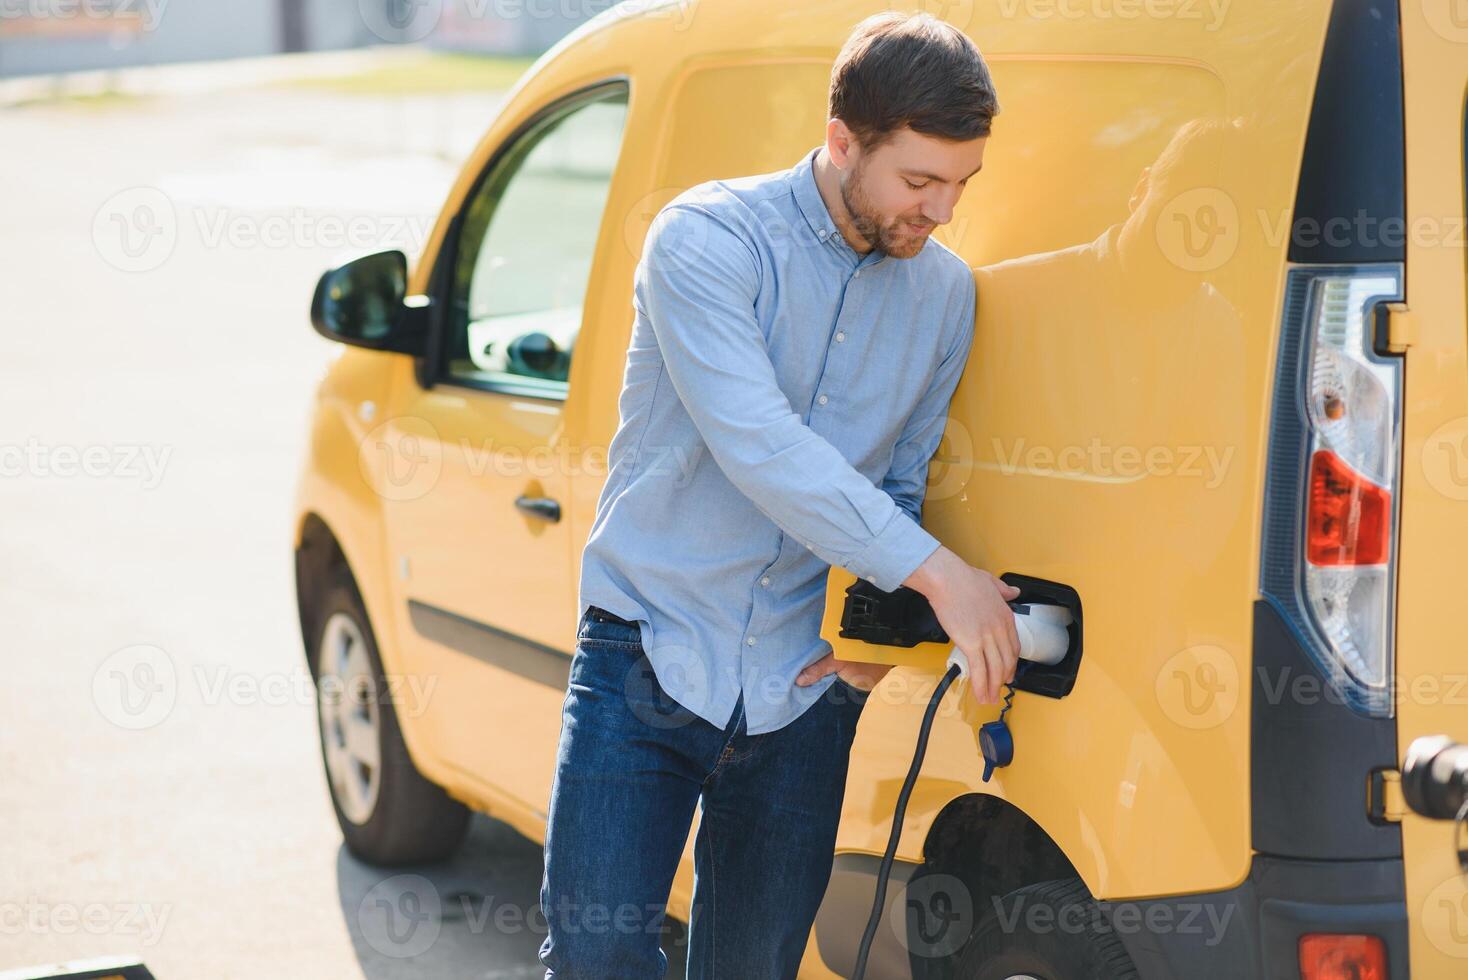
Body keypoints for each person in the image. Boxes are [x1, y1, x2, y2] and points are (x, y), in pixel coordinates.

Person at [539, 11, 1017, 979]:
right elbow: (758, 444)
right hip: (647, 657)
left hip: (801, 693)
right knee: (596, 961)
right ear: (842, 140)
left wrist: (871, 649)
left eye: (961, 183)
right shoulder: (707, 240)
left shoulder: (944, 295)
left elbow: (896, 479)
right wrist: (941, 580)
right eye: (919, 180)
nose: (942, 210)